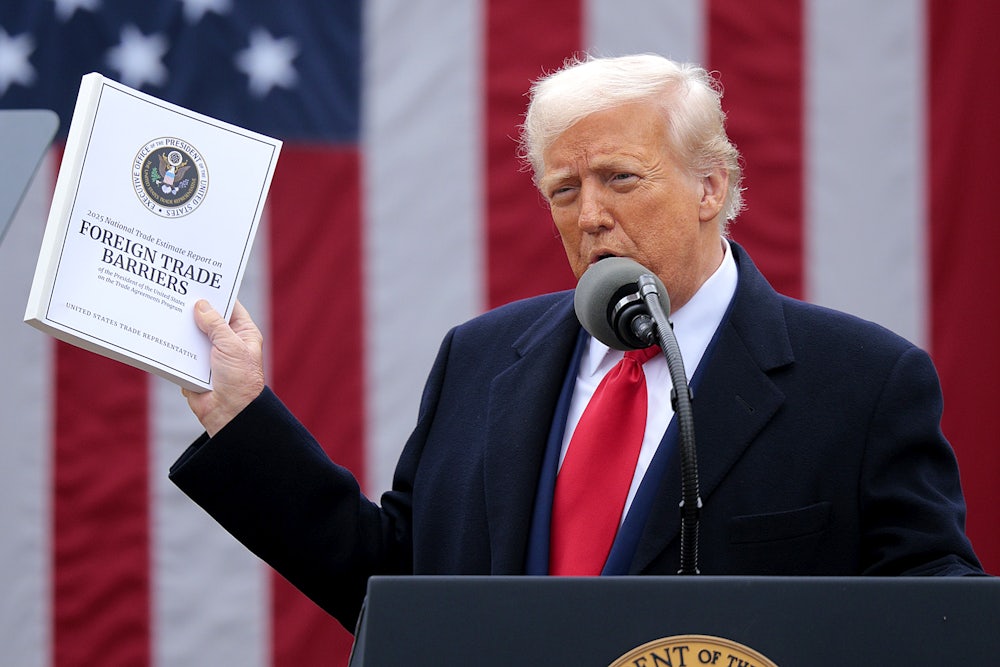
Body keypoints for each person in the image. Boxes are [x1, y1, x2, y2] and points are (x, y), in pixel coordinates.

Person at [171, 53, 983, 631]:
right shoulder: (480, 360)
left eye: (619, 178)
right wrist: (242, 416)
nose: (589, 213)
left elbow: (932, 618)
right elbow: (392, 590)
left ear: (713, 185)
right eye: (565, 188)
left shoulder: (862, 383)